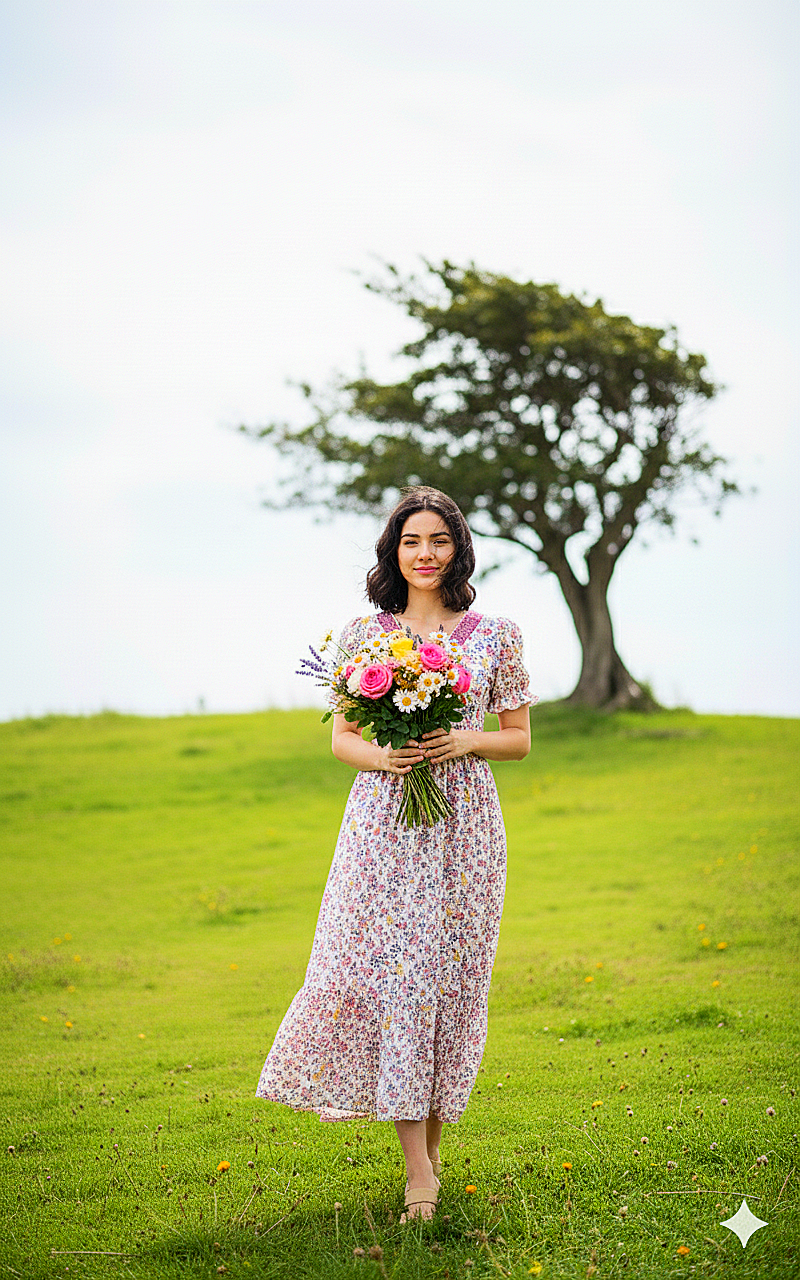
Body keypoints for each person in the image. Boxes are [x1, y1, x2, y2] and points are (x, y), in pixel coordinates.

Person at [256, 486, 532, 1221]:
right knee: (401, 979)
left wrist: (466, 738)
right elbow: (343, 738)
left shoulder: (496, 634)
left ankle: (429, 1160)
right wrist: (384, 758)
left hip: (467, 828)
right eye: (412, 542)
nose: (425, 554)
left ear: (458, 548)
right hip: (385, 825)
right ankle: (419, 1174)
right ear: (393, 551)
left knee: (448, 982)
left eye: (438, 541)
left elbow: (520, 735)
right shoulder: (363, 636)